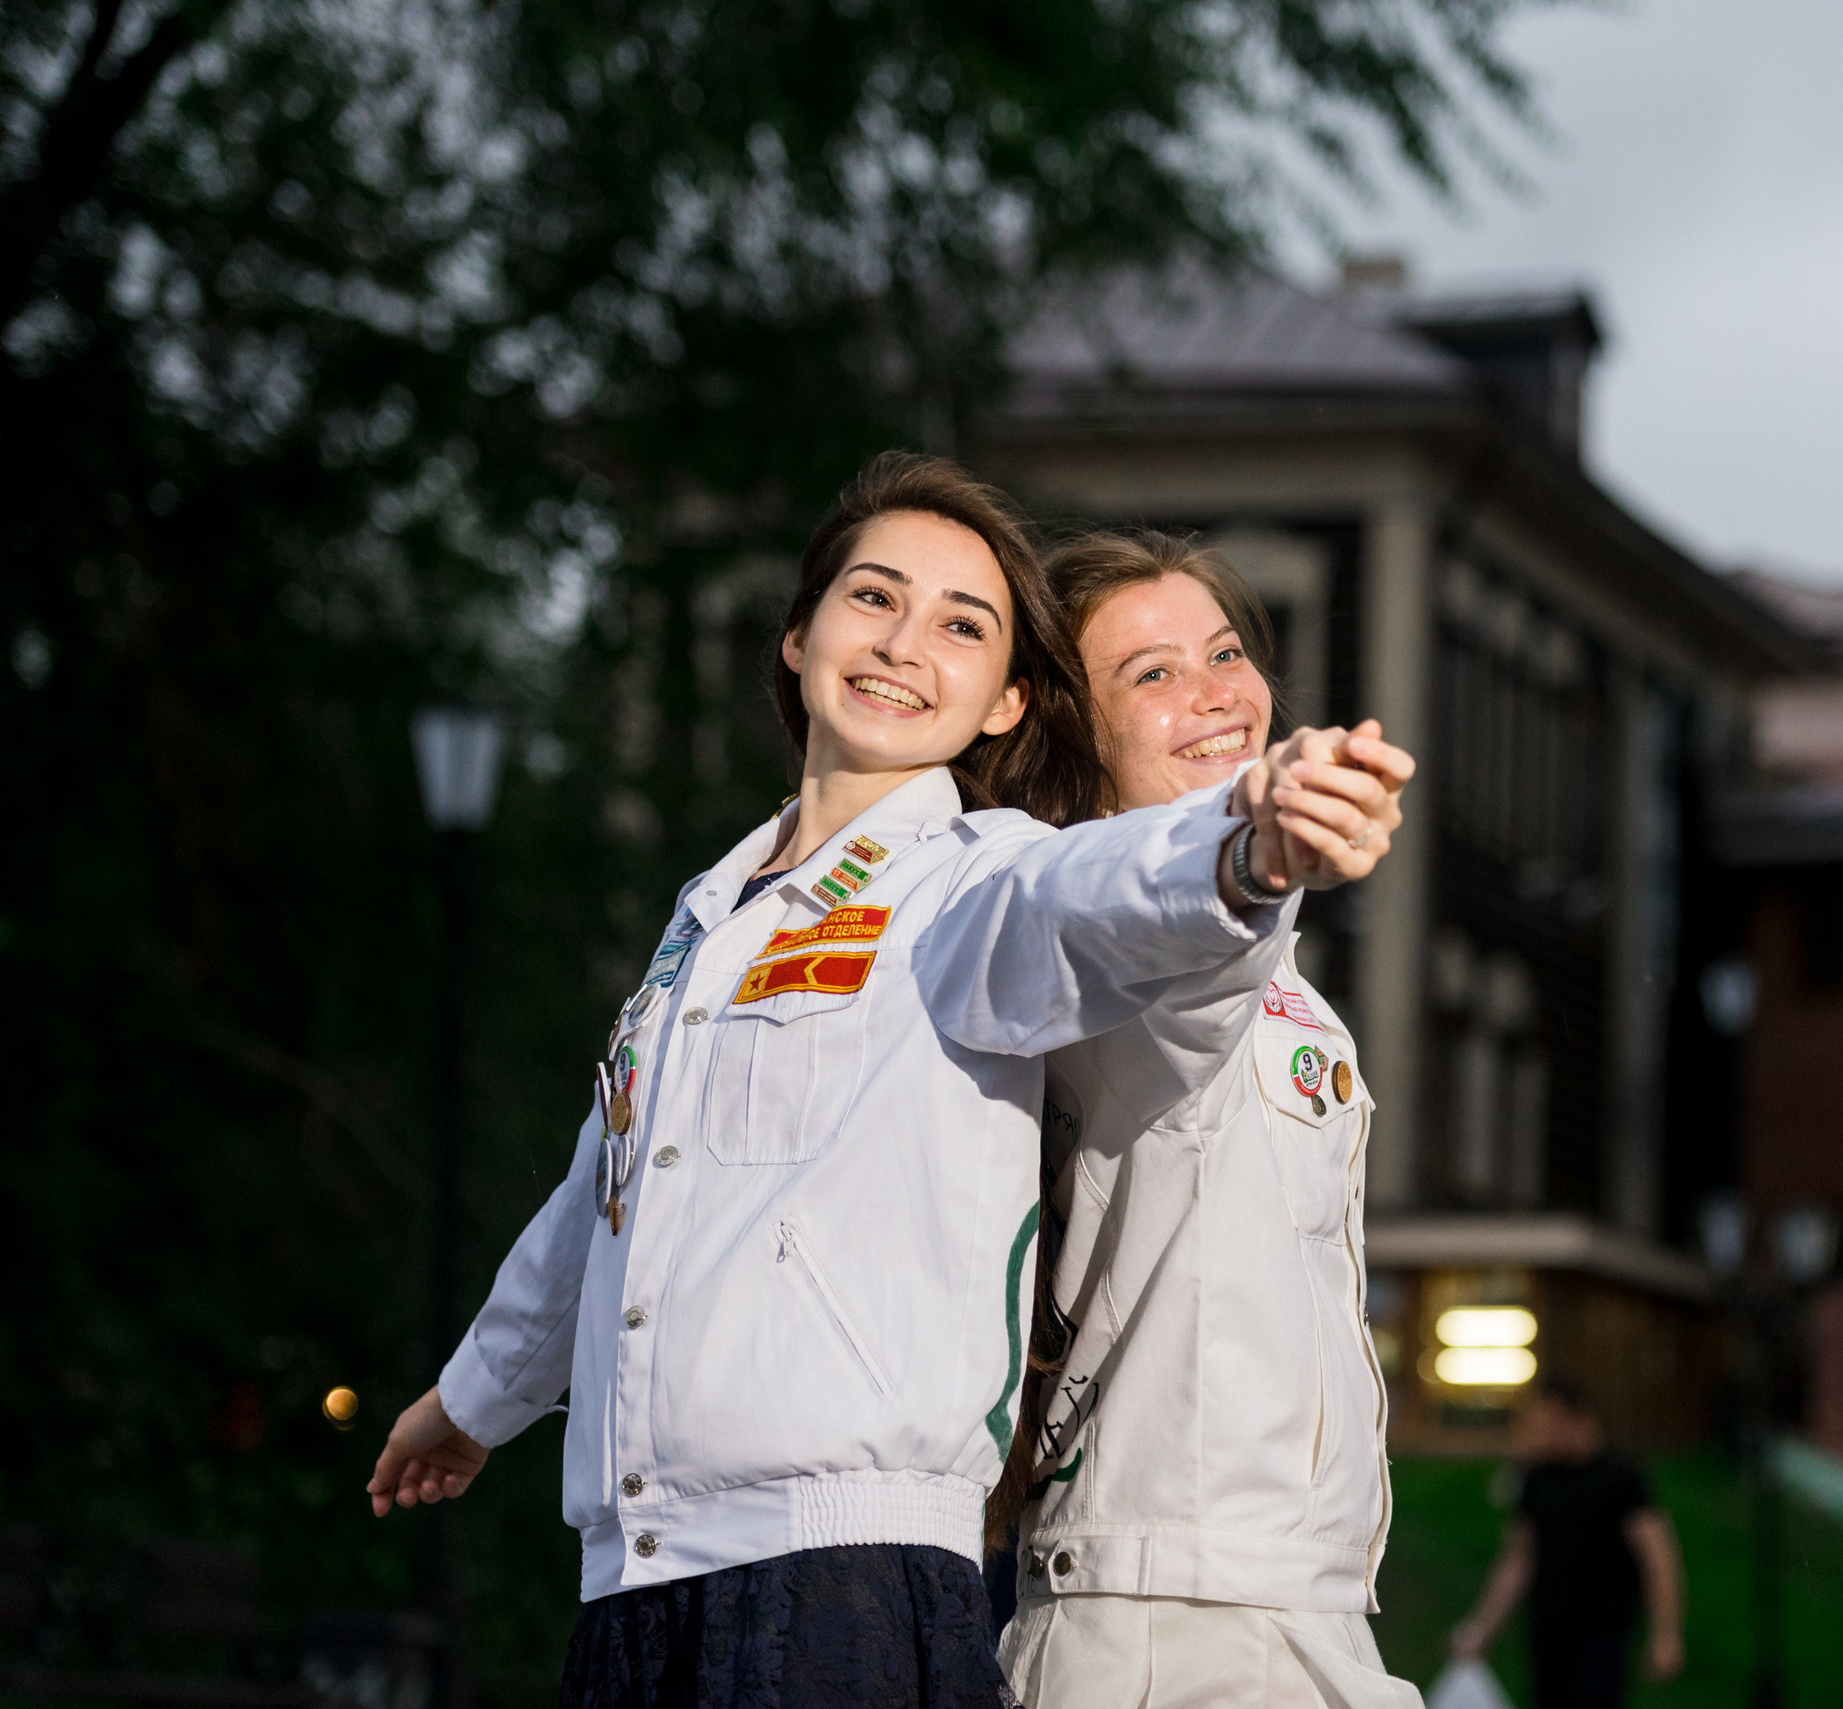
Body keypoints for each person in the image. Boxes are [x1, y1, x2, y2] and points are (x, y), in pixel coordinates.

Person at [361, 455, 1403, 1709]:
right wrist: (473, 1395)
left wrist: (1246, 848)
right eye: (874, 599)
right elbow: (606, 1191)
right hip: (639, 1571)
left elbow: (1101, 896)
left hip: (846, 1575)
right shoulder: (701, 927)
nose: (907, 644)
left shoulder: (971, 882)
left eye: (962, 623)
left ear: (1009, 700)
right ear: (797, 637)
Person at [992, 531, 1422, 1709]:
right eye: (1152, 674)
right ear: (1074, 732)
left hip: (1299, 1603)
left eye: (1225, 651)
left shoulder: (1285, 986)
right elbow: (1176, 918)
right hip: (1163, 1621)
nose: (1217, 693)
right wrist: (1258, 846)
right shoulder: (1095, 941)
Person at [1448, 1383, 1685, 1709]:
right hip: (1548, 1629)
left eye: (1544, 1425)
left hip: (1603, 1632)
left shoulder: (1620, 1475)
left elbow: (1657, 1557)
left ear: (1575, 1419)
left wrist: (1666, 1633)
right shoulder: (1538, 1480)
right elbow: (1518, 1559)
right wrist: (1481, 1628)